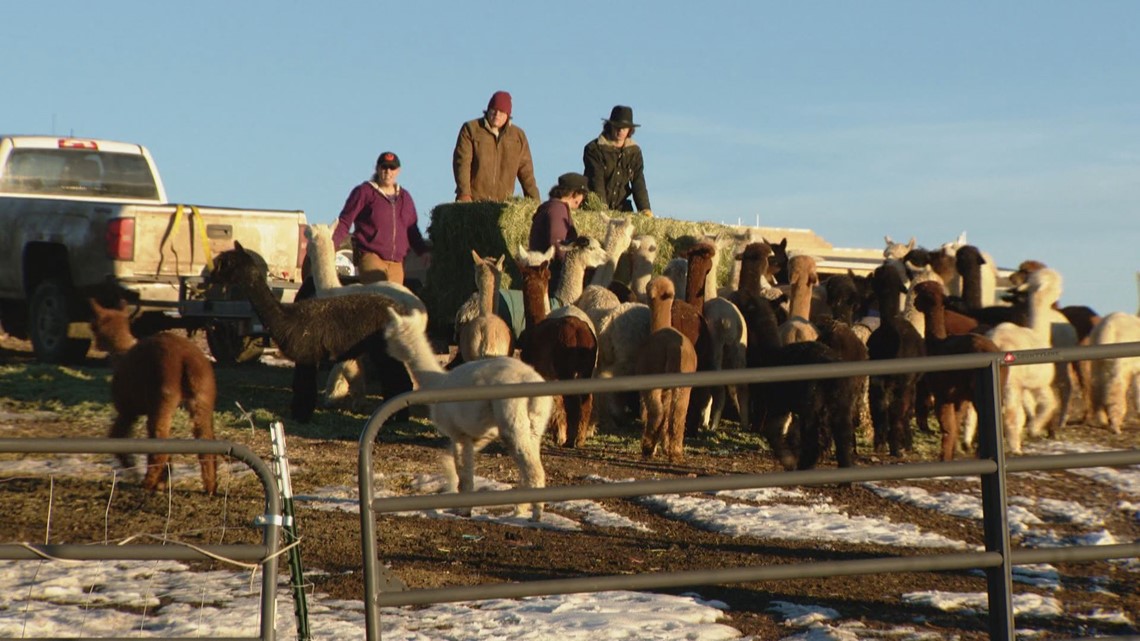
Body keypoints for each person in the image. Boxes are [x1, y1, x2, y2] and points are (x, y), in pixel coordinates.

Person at [330, 151, 431, 285]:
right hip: (371, 256)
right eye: (384, 167)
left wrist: (422, 251)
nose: (388, 171)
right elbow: (345, 221)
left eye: (392, 168)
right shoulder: (364, 192)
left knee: (394, 301)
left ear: (398, 171)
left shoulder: (405, 198)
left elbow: (412, 230)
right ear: (377, 169)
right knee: (378, 294)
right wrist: (331, 246)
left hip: (396, 263)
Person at [452, 90, 541, 202]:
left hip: (503, 204)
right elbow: (462, 162)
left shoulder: (518, 136)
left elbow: (527, 173)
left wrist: (535, 203)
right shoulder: (471, 129)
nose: (497, 114)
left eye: (502, 111)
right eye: (494, 110)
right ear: (488, 110)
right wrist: (464, 193)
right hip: (475, 200)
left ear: (508, 115)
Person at [583, 105, 653, 216]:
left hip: (622, 208)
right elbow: (596, 180)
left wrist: (645, 209)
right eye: (617, 127)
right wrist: (602, 210)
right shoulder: (594, 149)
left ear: (630, 129)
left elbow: (638, 181)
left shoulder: (634, 151)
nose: (620, 131)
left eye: (624, 128)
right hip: (596, 209)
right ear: (610, 126)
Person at [527, 172, 589, 287]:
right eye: (583, 196)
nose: (582, 201)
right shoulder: (558, 209)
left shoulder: (551, 207)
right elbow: (557, 244)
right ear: (575, 194)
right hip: (554, 280)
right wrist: (571, 269)